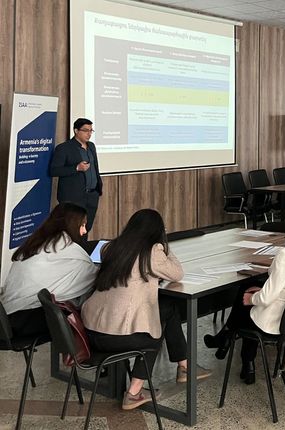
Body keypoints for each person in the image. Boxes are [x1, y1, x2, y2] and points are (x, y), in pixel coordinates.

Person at [81, 209, 212, 410]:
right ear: (156, 232)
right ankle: (134, 392)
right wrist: (164, 246)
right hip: (116, 336)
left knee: (167, 308)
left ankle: (185, 365)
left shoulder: (110, 247)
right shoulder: (151, 252)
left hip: (90, 330)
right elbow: (177, 273)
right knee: (154, 327)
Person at [204, 206, 285, 384]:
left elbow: (266, 298)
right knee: (251, 294)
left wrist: (251, 298)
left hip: (281, 323)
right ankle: (230, 342)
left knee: (247, 297)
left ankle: (237, 349)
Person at [1, 203, 97, 340]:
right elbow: (93, 277)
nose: (84, 231)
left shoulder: (37, 243)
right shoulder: (65, 247)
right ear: (72, 224)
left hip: (8, 317)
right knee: (85, 308)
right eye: (82, 225)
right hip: (25, 320)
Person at [49, 118, 103, 233]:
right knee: (72, 229)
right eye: (86, 130)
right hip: (73, 197)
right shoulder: (64, 148)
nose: (89, 134)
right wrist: (76, 168)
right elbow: (54, 171)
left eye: (91, 130)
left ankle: (83, 246)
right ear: (76, 131)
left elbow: (95, 168)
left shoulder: (91, 146)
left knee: (86, 229)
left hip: (92, 195)